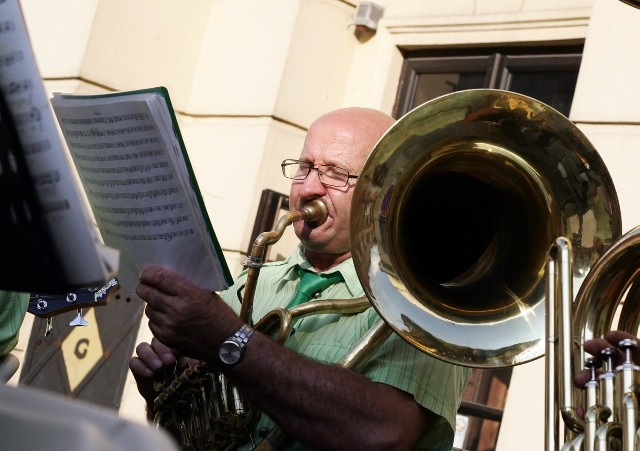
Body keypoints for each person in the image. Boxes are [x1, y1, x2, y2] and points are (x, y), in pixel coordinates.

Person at [129, 107, 471, 450]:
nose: (307, 188)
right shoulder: (252, 282)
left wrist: (227, 337)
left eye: (336, 174)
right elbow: (195, 434)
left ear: (386, 191)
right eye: (304, 167)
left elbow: (382, 435)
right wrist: (166, 395)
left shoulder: (422, 305)